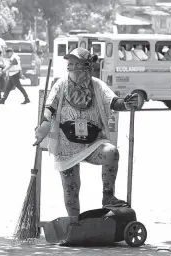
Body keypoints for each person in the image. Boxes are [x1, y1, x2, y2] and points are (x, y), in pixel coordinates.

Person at [33, 48, 140, 217]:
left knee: (111, 153)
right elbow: (49, 108)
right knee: (71, 189)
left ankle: (108, 196)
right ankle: (74, 223)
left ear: (87, 66)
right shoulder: (61, 84)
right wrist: (44, 125)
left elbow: (113, 102)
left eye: (78, 63)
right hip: (66, 147)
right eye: (71, 63)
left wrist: (126, 103)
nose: (73, 67)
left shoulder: (97, 85)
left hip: (93, 144)